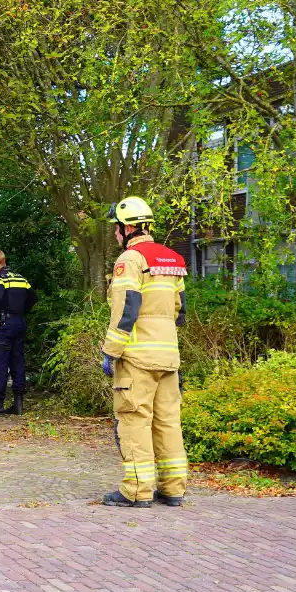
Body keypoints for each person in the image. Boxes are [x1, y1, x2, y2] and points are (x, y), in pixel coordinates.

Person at [100, 196, 188, 508]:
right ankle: (174, 488)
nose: (114, 234)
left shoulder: (130, 260)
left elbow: (127, 309)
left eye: (116, 228)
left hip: (137, 357)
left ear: (127, 228)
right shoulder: (172, 259)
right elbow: (180, 311)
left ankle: (136, 491)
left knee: (134, 420)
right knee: (168, 422)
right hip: (168, 356)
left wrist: (111, 351)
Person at [0, 250, 36, 417]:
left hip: (4, 325)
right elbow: (33, 298)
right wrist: (20, 312)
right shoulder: (20, 278)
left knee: (0, 364)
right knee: (17, 361)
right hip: (19, 323)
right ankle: (18, 402)